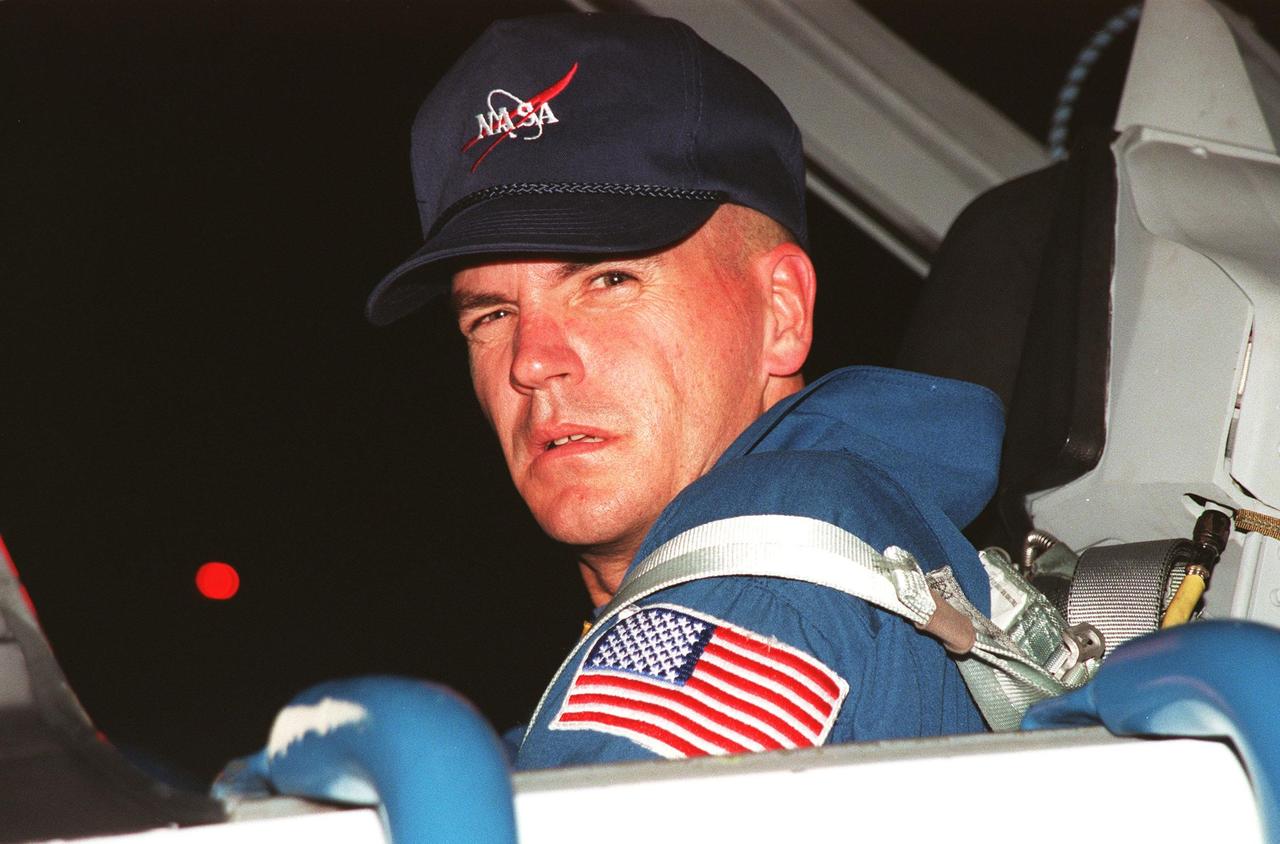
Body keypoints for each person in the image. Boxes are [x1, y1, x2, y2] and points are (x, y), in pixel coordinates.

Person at [365, 13, 1004, 769]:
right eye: (494, 313)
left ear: (781, 313)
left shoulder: (770, 569)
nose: (531, 362)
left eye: (608, 281)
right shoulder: (836, 578)